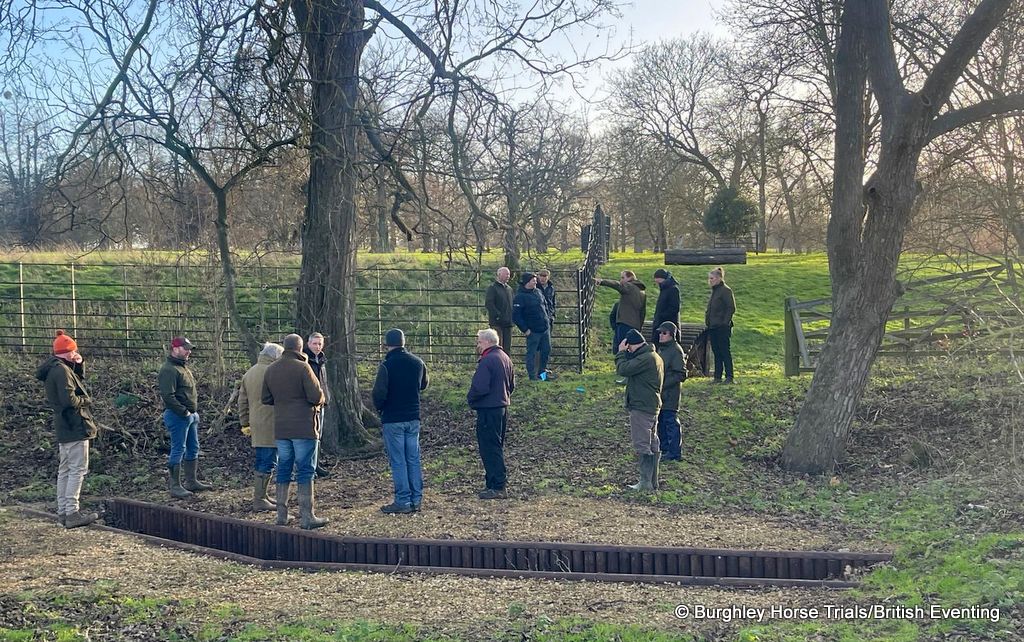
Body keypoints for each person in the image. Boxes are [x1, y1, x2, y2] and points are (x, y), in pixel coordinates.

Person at [262, 334, 327, 529]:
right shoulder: (303, 368)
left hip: (282, 428)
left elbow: (266, 398)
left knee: (284, 468)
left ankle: (282, 515)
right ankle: (307, 516)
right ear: (300, 348)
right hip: (304, 427)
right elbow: (316, 396)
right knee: (305, 469)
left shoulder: (271, 369)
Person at [36, 330, 99, 528]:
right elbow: (69, 399)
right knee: (77, 469)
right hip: (74, 424)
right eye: (74, 351)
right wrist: (86, 400)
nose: (77, 353)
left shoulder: (55, 369)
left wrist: (78, 365)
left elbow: (73, 385)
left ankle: (63, 511)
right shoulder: (62, 371)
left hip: (64, 426)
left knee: (65, 470)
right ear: (68, 352)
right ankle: (72, 512)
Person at [372, 328, 429, 515]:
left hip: (393, 418)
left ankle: (402, 500)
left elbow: (379, 393)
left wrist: (380, 408)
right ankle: (416, 499)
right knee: (413, 458)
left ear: (387, 344)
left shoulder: (387, 365)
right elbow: (423, 384)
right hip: (413, 416)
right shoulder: (418, 362)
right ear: (404, 342)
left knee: (398, 461)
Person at [159, 336, 213, 498]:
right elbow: (168, 396)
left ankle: (191, 481)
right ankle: (175, 486)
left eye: (189, 348)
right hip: (178, 416)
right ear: (175, 349)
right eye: (185, 348)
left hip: (189, 415)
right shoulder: (169, 370)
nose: (189, 351)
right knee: (178, 449)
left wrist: (191, 413)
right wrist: (184, 412)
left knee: (193, 447)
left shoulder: (182, 368)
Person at [467, 329, 515, 499]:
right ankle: (495, 482)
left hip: (488, 409)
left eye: (479, 342)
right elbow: (511, 384)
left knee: (489, 447)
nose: (478, 345)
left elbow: (480, 387)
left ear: (487, 342)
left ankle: (497, 485)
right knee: (496, 445)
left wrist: (471, 399)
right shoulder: (505, 358)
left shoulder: (487, 361)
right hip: (501, 407)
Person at [615, 329, 664, 491]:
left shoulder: (646, 358)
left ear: (631, 344)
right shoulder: (653, 356)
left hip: (642, 406)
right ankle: (652, 481)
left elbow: (623, 369)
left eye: (628, 347)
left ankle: (645, 482)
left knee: (642, 443)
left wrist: (621, 353)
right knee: (652, 442)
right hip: (651, 404)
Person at [238, 342, 284, 512]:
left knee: (264, 458)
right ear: (275, 356)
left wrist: (244, 423)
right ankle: (259, 499)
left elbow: (242, 401)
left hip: (257, 422)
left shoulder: (250, 372)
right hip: (271, 421)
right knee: (268, 460)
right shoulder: (274, 372)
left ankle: (263, 495)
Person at [596, 271, 647, 354]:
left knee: (622, 349)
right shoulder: (641, 292)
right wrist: (640, 327)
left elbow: (617, 285)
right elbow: (642, 312)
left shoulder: (629, 286)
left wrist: (601, 281)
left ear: (630, 277)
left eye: (623, 278)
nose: (621, 280)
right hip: (635, 325)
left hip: (625, 323)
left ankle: (621, 365)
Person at [655, 322, 686, 461]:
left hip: (670, 394)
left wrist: (663, 384)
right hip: (661, 393)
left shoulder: (675, 350)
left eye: (664, 333)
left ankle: (675, 452)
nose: (661, 335)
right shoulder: (662, 349)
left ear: (672, 335)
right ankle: (665, 448)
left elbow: (681, 374)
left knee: (671, 422)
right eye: (660, 332)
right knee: (661, 421)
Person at [512, 272, 551, 381]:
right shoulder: (520, 297)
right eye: (533, 280)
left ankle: (542, 374)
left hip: (544, 328)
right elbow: (516, 316)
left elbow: (545, 306)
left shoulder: (538, 292)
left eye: (535, 280)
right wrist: (525, 330)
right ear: (526, 282)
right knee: (532, 354)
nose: (535, 281)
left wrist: (548, 319)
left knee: (546, 351)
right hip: (532, 331)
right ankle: (532, 377)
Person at [303, 332, 332, 479]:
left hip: (321, 402)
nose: (317, 346)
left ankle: (316, 464)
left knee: (318, 436)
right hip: (310, 404)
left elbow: (323, 381)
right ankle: (309, 466)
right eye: (314, 343)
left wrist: (326, 398)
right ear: (308, 344)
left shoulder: (321, 359)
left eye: (320, 343)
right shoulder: (305, 361)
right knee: (311, 436)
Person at [705, 267, 737, 384]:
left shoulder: (725, 291)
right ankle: (717, 377)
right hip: (713, 326)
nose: (710, 281)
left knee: (724, 351)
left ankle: (729, 376)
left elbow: (731, 308)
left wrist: (725, 322)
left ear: (719, 278)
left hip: (722, 327)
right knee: (716, 352)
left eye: (712, 278)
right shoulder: (715, 291)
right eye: (709, 278)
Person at [485, 267, 515, 353]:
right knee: (498, 347)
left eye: (509, 274)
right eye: (506, 274)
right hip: (497, 323)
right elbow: (489, 304)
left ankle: (506, 365)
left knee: (507, 348)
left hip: (508, 323)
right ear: (499, 275)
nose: (508, 276)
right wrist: (498, 316)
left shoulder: (509, 289)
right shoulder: (493, 288)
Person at [651, 269, 681, 344]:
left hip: (667, 324)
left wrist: (661, 316)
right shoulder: (664, 289)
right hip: (661, 323)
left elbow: (674, 308)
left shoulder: (673, 289)